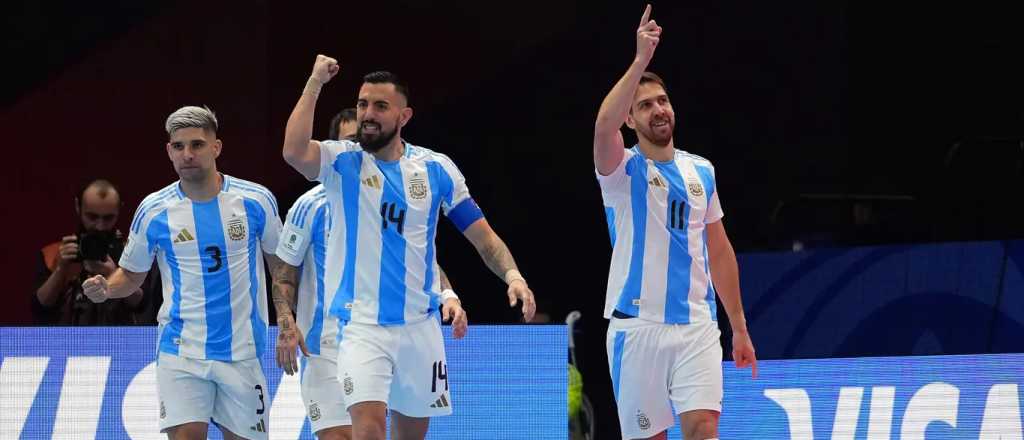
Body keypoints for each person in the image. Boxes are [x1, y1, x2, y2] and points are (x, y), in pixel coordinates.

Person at [281, 56, 536, 440]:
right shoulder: (343, 163)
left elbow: (482, 237)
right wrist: (315, 82)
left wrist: (513, 276)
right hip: (361, 326)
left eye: (380, 106)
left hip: (420, 327)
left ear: (404, 116)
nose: (368, 114)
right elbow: (293, 151)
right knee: (368, 429)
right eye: (363, 104)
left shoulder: (436, 169)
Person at [593, 5, 757, 440]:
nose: (658, 110)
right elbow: (603, 127)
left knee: (704, 428)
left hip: (696, 325)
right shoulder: (621, 171)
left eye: (662, 101)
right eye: (645, 105)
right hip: (637, 326)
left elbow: (719, 250)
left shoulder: (701, 170)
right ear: (630, 120)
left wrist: (739, 327)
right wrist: (640, 61)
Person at [83, 105, 284, 440]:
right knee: (187, 434)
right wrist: (107, 288)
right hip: (181, 349)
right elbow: (131, 275)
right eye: (179, 146)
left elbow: (281, 268)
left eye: (197, 145)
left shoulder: (255, 200)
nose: (187, 154)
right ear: (169, 151)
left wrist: (288, 322)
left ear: (216, 147)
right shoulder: (153, 210)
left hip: (243, 350)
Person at [272, 184, 465, 440]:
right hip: (325, 345)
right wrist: (286, 322)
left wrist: (448, 295)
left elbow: (419, 258)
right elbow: (284, 274)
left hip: (380, 337)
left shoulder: (391, 197)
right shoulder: (310, 206)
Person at [33, 179, 155, 325]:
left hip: (118, 338)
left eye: (108, 218)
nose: (99, 226)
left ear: (119, 209)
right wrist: (61, 270)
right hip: (68, 338)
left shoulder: (132, 252)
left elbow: (143, 305)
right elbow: (39, 307)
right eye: (92, 217)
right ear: (78, 206)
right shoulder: (53, 254)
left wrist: (114, 275)